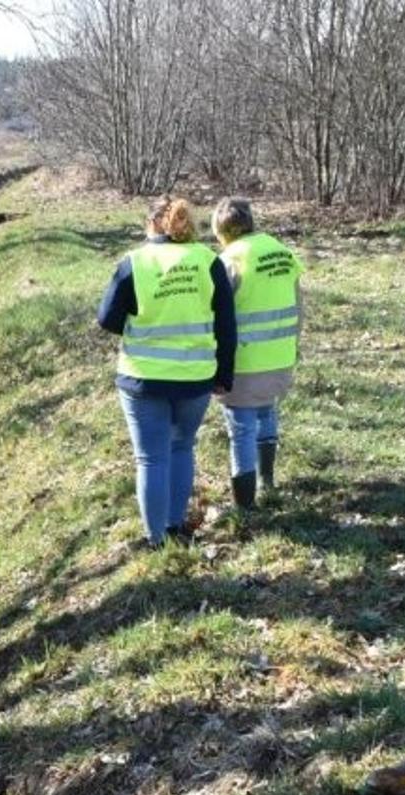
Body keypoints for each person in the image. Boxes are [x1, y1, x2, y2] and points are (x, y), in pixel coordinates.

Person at [97, 197, 237, 547]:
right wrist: (225, 375)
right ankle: (175, 528)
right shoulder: (208, 261)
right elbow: (226, 325)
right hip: (195, 379)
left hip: (143, 379)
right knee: (182, 448)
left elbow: (107, 319)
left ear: (151, 224)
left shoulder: (134, 263)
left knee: (150, 459)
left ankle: (155, 540)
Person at [211, 198, 302, 510]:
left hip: (244, 361)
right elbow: (298, 304)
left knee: (241, 428)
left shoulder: (229, 260)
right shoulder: (283, 252)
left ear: (221, 231)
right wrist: (293, 346)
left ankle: (245, 506)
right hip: (280, 355)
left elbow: (217, 315)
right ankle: (268, 481)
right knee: (266, 413)